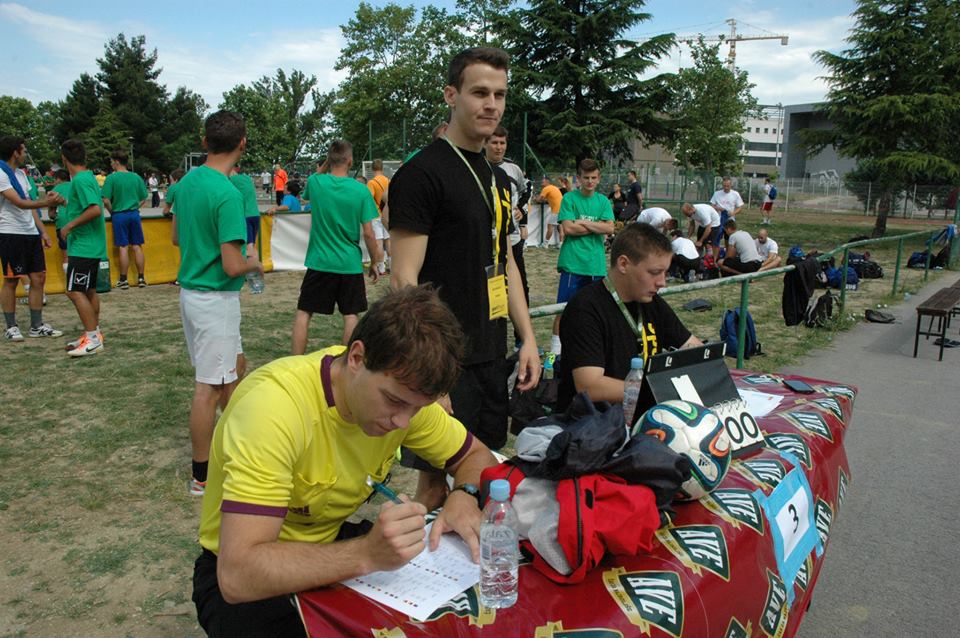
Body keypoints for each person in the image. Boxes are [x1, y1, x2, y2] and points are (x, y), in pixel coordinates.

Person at [191, 285, 498, 637]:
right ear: (356, 358)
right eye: (394, 401)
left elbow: (476, 455)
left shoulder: (405, 395)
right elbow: (238, 575)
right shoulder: (274, 409)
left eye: (418, 408)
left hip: (330, 545)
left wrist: (465, 494)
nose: (403, 422)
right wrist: (366, 554)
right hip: (244, 575)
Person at [389, 46, 540, 509]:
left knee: (484, 475)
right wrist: (428, 374)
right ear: (451, 95)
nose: (491, 104)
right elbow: (404, 278)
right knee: (436, 485)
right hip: (444, 360)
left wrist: (527, 338)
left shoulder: (499, 179)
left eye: (500, 95)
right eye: (479, 92)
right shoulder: (421, 174)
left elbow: (506, 262)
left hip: (491, 351)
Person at [173, 110, 263, 496]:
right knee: (208, 388)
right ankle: (202, 476)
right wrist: (255, 262)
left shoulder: (186, 183)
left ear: (204, 142)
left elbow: (176, 237)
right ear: (242, 143)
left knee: (235, 367)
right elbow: (232, 265)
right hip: (215, 299)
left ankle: (240, 445)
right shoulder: (228, 194)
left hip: (193, 295)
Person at [557, 223, 703, 425]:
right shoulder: (585, 308)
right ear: (624, 264)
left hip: (643, 418)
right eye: (654, 272)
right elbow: (589, 386)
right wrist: (659, 390)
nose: (662, 282)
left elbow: (693, 347)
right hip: (594, 428)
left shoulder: (652, 303)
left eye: (665, 272)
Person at [293, 140, 381, 352]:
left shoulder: (316, 182)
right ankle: (344, 362)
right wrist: (375, 261)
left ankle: (293, 361)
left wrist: (327, 161)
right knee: (350, 315)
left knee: (304, 313)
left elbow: (316, 177)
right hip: (348, 263)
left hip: (320, 261)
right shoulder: (360, 190)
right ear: (350, 161)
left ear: (329, 159)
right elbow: (369, 233)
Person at [0, 135, 64, 342]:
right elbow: (19, 203)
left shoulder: (21, 174)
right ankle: (11, 327)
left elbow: (29, 206)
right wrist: (48, 202)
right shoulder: (1, 173)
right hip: (10, 232)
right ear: (15, 152)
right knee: (12, 279)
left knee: (38, 278)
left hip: (30, 233)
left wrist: (42, 231)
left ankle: (36, 326)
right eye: (24, 150)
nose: (26, 154)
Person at [550, 158, 615, 356]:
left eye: (593, 177)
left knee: (596, 312)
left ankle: (590, 349)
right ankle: (554, 353)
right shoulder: (569, 198)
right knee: (563, 310)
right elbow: (568, 229)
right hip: (572, 264)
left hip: (595, 266)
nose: (590, 181)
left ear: (599, 178)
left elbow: (610, 228)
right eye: (586, 177)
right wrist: (597, 226)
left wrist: (582, 223)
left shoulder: (603, 201)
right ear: (578, 178)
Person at [59, 139, 109, 356]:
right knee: (88, 291)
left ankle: (92, 339)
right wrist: (63, 203)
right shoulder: (87, 178)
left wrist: (69, 226)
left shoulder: (80, 180)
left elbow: (94, 210)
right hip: (90, 245)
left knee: (74, 290)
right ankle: (93, 334)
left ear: (63, 158)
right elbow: (85, 206)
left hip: (84, 247)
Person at [484, 126, 530, 323]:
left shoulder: (513, 169)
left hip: (512, 237)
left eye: (502, 143)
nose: (499, 147)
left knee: (520, 284)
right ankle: (495, 325)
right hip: (488, 239)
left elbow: (526, 190)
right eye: (494, 142)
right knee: (493, 284)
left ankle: (521, 333)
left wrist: (522, 212)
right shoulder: (478, 167)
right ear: (485, 144)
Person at [101, 149, 149, 289]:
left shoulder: (111, 178)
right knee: (137, 246)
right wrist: (135, 207)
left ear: (116, 162)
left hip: (119, 215)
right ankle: (141, 278)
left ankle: (123, 279)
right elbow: (143, 198)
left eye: (112, 162)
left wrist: (113, 212)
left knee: (123, 246)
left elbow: (105, 199)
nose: (111, 164)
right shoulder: (136, 177)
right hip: (134, 214)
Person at [228, 165, 261, 258]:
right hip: (256, 214)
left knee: (249, 250)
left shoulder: (230, 180)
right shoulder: (247, 178)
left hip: (245, 216)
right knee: (252, 246)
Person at [45, 169, 72, 275]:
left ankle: (68, 281)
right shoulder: (75, 186)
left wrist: (54, 216)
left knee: (66, 255)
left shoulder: (55, 189)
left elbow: (51, 214)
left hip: (62, 223)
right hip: (79, 222)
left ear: (58, 179)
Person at [366, 159, 391, 276]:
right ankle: (392, 265)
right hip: (387, 213)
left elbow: (369, 198)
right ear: (382, 168)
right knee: (389, 240)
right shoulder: (389, 181)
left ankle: (381, 268)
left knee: (379, 242)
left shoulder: (372, 183)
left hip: (376, 215)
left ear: (372, 168)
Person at [534, 176, 563, 247]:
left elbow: (539, 199)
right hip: (562, 209)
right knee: (560, 227)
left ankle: (545, 244)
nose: (542, 183)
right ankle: (561, 244)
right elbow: (550, 198)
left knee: (550, 226)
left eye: (543, 181)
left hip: (556, 210)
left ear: (547, 182)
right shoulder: (554, 187)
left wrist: (535, 198)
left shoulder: (546, 188)